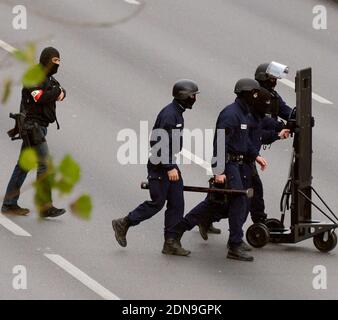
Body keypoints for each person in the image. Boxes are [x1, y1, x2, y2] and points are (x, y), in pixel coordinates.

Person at [173, 79, 268, 261]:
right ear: (246, 94)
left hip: (240, 164)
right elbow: (220, 143)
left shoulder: (244, 113)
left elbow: (244, 140)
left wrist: (255, 155)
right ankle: (234, 244)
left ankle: (180, 230)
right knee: (237, 200)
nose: (257, 96)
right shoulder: (230, 114)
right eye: (255, 93)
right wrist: (219, 171)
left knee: (222, 202)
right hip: (229, 164)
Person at [112, 79, 200, 256]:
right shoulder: (170, 114)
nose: (194, 99)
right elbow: (159, 142)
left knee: (177, 203)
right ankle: (124, 223)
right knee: (157, 203)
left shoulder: (178, 112)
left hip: (168, 162)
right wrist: (169, 167)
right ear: (183, 96)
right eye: (192, 95)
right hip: (160, 165)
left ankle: (171, 242)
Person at [1, 47, 66, 218]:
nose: (57, 64)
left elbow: (62, 93)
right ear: (46, 60)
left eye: (59, 61)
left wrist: (57, 92)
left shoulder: (48, 78)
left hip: (41, 127)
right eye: (55, 61)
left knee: (23, 165)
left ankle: (9, 204)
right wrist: (56, 92)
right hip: (32, 127)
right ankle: (45, 205)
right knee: (44, 163)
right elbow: (39, 97)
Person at [250, 61, 293, 223]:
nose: (275, 81)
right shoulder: (255, 99)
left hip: (250, 149)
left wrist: (297, 118)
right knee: (250, 189)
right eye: (272, 78)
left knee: (241, 190)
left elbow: (283, 110)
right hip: (244, 149)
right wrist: (278, 133)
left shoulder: (270, 96)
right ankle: (259, 222)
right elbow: (258, 131)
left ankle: (259, 221)